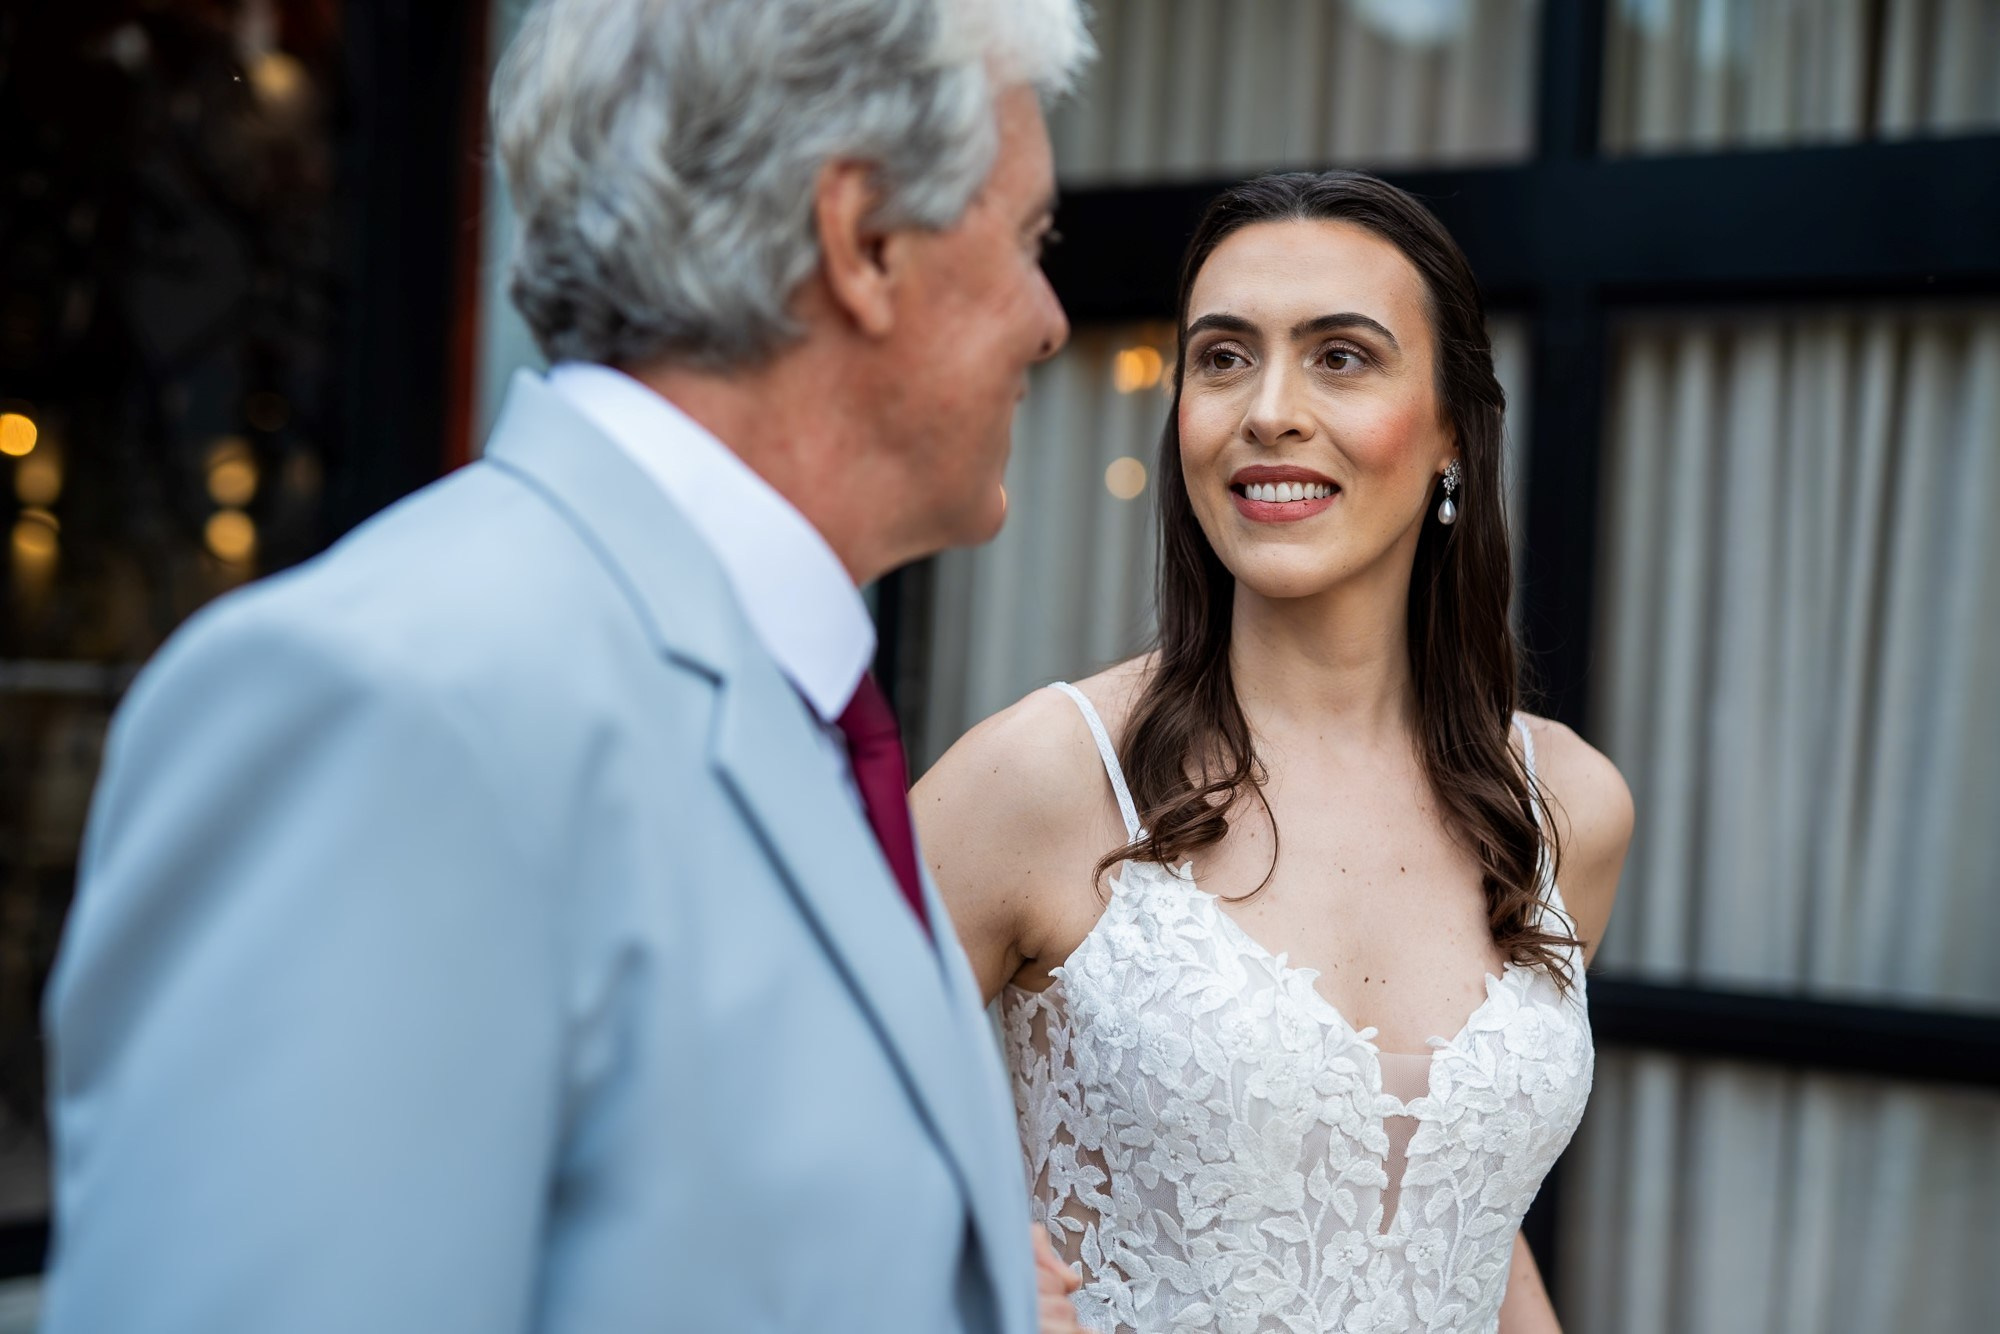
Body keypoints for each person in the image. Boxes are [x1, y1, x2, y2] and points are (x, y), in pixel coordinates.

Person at [41, 2, 1094, 1331]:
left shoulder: (792, 706)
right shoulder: (399, 706)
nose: (1051, 318)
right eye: (1029, 239)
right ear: (863, 240)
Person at [916, 171, 1634, 1334]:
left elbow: (1455, 1216)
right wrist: (957, 1290)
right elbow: (764, 1131)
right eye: (1222, 357)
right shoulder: (1041, 776)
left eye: (1339, 356)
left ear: (1451, 428)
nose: (1268, 410)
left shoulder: (1564, 806)